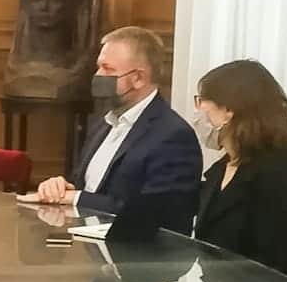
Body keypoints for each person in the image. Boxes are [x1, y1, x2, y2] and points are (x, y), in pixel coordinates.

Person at [31, 26, 201, 234]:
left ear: (138, 78)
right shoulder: (103, 123)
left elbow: (160, 215)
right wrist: (60, 188)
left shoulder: (173, 135)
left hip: (137, 251)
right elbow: (85, 186)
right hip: (89, 246)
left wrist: (77, 198)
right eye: (98, 67)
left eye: (107, 69)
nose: (98, 75)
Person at [191, 59, 287, 282]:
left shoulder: (278, 177)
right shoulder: (223, 168)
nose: (197, 111)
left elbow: (277, 267)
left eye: (201, 101)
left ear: (228, 110)